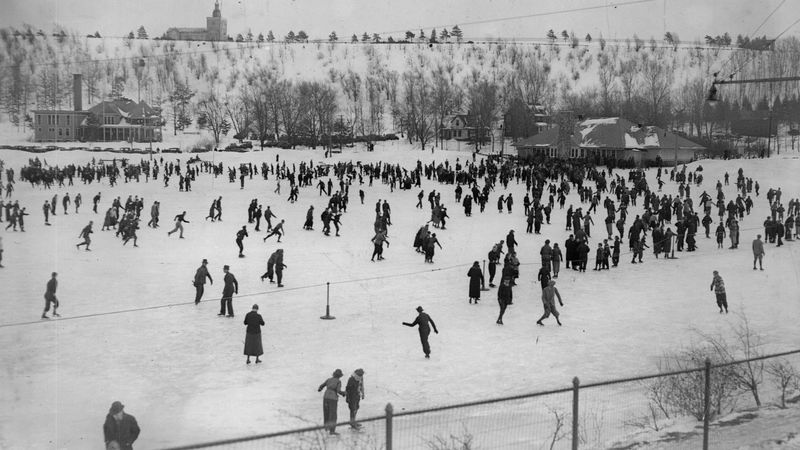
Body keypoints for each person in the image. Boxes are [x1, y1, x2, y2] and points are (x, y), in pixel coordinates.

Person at [318, 369, 346, 435]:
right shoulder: (338, 381)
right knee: (333, 414)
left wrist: (320, 389)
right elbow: (338, 391)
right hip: (333, 398)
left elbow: (321, 386)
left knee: (326, 412)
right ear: (340, 376)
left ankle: (326, 427)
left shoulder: (329, 379)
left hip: (326, 397)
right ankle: (332, 431)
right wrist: (344, 393)